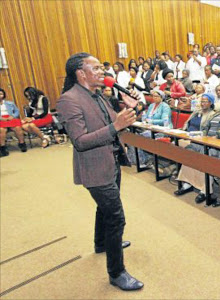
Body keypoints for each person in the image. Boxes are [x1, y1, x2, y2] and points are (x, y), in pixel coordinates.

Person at [56, 52, 143, 290]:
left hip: (111, 162)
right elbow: (81, 141)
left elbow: (117, 124)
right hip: (94, 167)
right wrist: (116, 125)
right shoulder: (69, 100)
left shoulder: (98, 96)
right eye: (96, 68)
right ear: (80, 73)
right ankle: (117, 273)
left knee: (103, 208)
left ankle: (100, 243)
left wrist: (132, 108)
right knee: (116, 217)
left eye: (101, 68)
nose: (102, 72)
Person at [176, 92, 220, 204]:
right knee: (189, 152)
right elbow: (206, 126)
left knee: (205, 158)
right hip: (207, 141)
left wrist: (216, 136)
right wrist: (202, 136)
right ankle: (187, 183)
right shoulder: (219, 112)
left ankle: (205, 190)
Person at [0, 88, 27, 156]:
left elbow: (17, 111)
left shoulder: (10, 103)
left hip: (10, 118)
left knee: (18, 128)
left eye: (1, 94)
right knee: (2, 130)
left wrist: (13, 116)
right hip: (1, 119)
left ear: (3, 95)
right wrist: (1, 118)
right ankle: (3, 147)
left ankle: (22, 143)